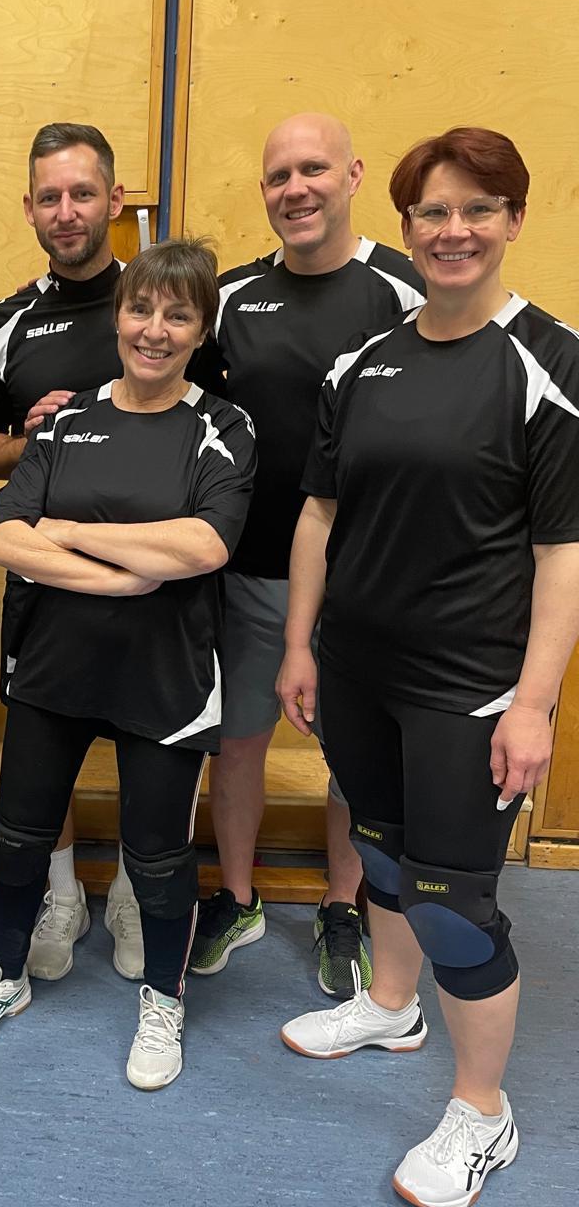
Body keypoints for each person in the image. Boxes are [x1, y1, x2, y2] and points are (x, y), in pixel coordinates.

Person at [278, 127, 579, 1207]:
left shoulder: (548, 362)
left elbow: (563, 551)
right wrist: (300, 644)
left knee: (455, 905)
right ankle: (391, 1006)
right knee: (382, 854)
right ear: (405, 227)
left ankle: (482, 1112)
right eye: (434, 212)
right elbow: (321, 513)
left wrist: (535, 704)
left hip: (472, 687)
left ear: (514, 220)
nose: (455, 231)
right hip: (359, 669)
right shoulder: (362, 364)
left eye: (478, 209)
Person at [0, 239, 256, 1087]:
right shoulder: (68, 419)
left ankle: (164, 999)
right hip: (55, 667)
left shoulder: (222, 427)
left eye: (177, 315)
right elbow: (5, 537)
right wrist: (125, 577)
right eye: (141, 309)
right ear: (119, 317)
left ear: (201, 330)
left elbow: (206, 543)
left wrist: (74, 533)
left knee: (156, 856)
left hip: (166, 675)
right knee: (17, 836)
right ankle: (3, 975)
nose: (155, 329)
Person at [186, 113, 424, 997]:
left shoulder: (405, 290)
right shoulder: (232, 298)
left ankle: (341, 903)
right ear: (263, 191)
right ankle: (239, 896)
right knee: (238, 743)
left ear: (353, 176)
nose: (297, 189)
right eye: (280, 175)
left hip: (365, 581)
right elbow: (176, 401)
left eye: (314, 169)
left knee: (354, 756)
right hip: (249, 573)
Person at [0, 122, 144, 980]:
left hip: (154, 581)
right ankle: (63, 891)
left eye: (82, 193)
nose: (66, 211)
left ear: (115, 199)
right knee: (44, 752)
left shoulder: (159, 303)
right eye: (50, 197)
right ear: (30, 208)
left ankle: (137, 892)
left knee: (153, 742)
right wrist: (28, 438)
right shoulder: (6, 323)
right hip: (45, 580)